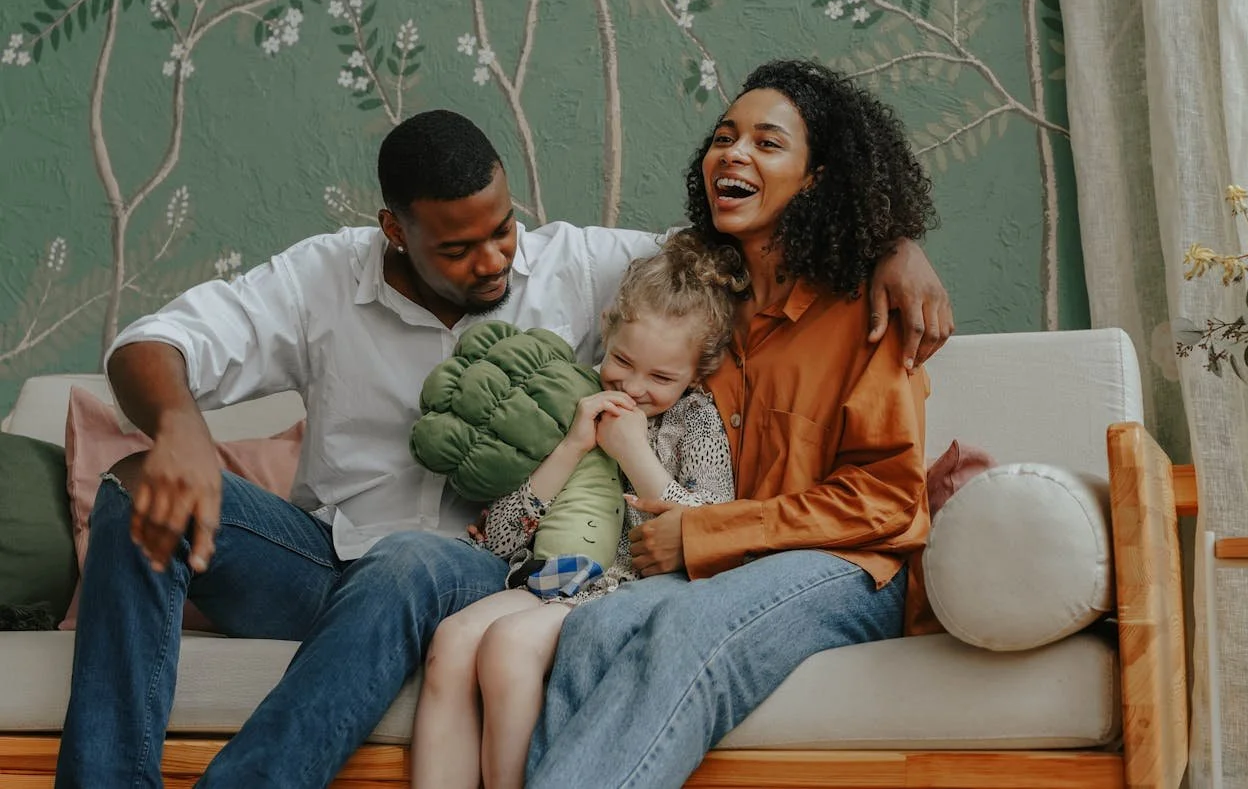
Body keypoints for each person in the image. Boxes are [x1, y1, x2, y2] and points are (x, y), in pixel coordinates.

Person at [54, 106, 951, 788]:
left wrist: (890, 243)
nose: (493, 260)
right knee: (134, 490)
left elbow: (745, 247)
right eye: (460, 246)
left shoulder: (581, 265)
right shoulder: (321, 277)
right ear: (393, 229)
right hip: (324, 561)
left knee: (409, 559)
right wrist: (178, 429)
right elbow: (154, 341)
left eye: (503, 229)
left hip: (479, 566)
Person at [524, 59, 938, 789]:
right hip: (716, 568)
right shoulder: (702, 305)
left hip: (846, 570)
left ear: (815, 178)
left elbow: (889, 501)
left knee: (688, 626)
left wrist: (899, 248)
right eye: (723, 136)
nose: (734, 153)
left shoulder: (866, 308)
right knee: (589, 631)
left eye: (767, 142)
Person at [412, 231, 741, 789]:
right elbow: (497, 540)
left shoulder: (695, 420)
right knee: (452, 640)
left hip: (631, 588)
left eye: (662, 378)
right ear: (608, 329)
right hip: (548, 577)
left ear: (698, 373)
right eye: (623, 362)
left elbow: (714, 527)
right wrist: (570, 447)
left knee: (508, 646)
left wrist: (637, 456)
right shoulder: (569, 402)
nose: (633, 388)